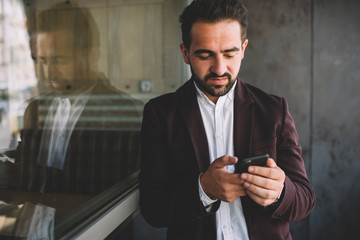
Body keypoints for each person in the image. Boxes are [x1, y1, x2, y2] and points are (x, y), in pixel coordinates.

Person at [139, 0, 315, 239]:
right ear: (185, 53)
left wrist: (281, 192)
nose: (219, 69)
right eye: (205, 55)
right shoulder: (160, 114)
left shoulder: (274, 110)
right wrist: (203, 190)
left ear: (243, 49)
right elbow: (152, 208)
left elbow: (305, 199)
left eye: (230, 54)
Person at [7, 2, 142, 195]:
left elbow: (107, 193)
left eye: (59, 60)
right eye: (42, 60)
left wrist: (35, 175)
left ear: (92, 56)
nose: (48, 73)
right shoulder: (35, 109)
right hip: (33, 222)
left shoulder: (123, 113)